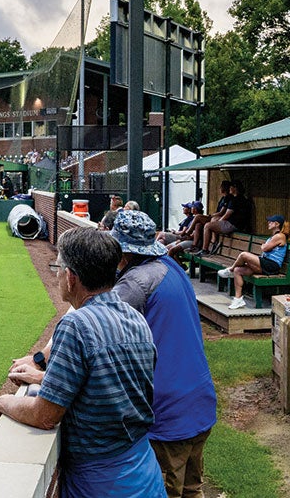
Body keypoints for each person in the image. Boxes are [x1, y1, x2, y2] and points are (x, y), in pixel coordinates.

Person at [0, 227, 164, 497]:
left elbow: (44, 416)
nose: (57, 273)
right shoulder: (134, 317)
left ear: (71, 278)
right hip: (144, 472)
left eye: (58, 267)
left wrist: (3, 403)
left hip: (102, 482)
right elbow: (104, 385)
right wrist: (43, 380)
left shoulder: (76, 324)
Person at [103, 210, 218, 498]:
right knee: (192, 489)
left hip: (169, 413)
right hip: (198, 401)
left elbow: (96, 328)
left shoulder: (135, 282)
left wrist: (43, 364)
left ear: (123, 251)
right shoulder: (170, 266)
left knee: (164, 491)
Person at [218, 214, 287, 310]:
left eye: (271, 221)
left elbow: (265, 248)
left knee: (244, 255)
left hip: (271, 265)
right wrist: (264, 247)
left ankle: (230, 270)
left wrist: (264, 246)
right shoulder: (273, 237)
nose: (268, 223)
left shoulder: (280, 236)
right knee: (238, 271)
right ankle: (238, 300)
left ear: (277, 224)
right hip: (265, 263)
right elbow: (265, 248)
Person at [194, 181, 250, 253]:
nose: (229, 188)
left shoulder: (235, 199)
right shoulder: (241, 198)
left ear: (235, 188)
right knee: (214, 220)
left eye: (231, 187)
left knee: (207, 226)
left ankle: (205, 249)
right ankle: (214, 242)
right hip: (237, 224)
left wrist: (219, 222)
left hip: (233, 224)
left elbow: (227, 214)